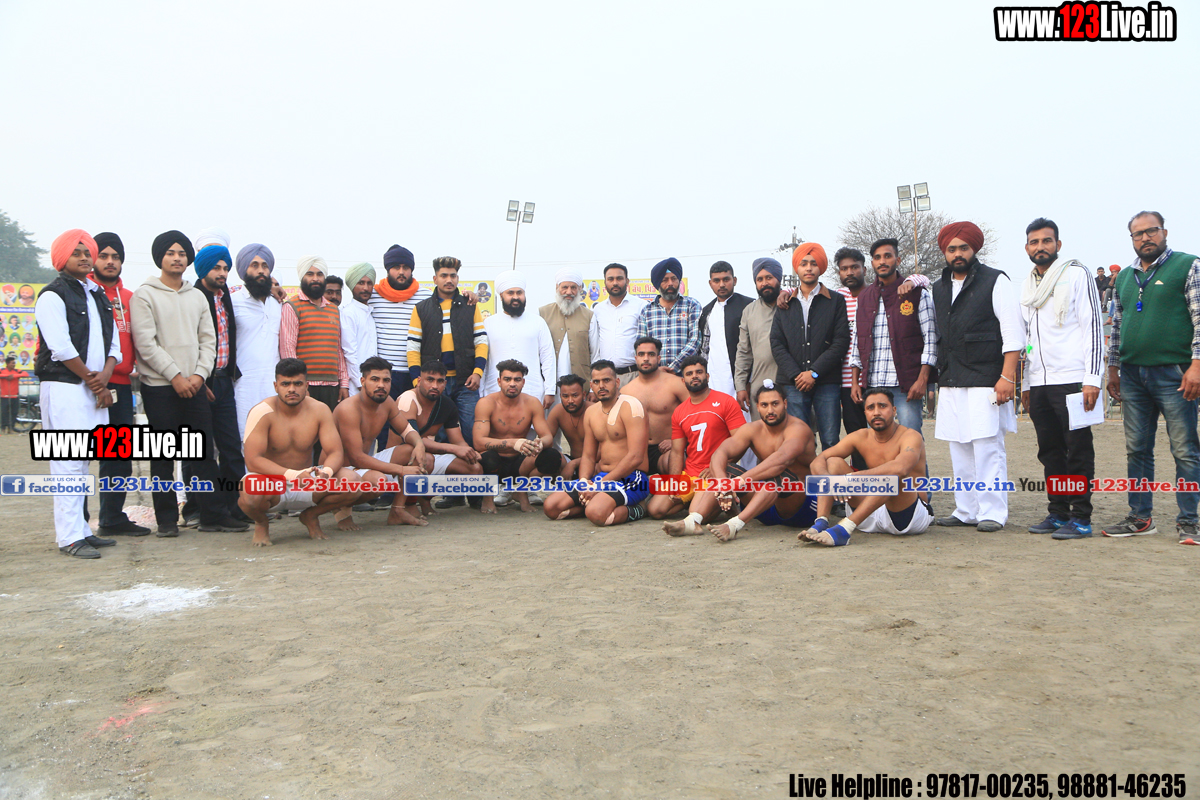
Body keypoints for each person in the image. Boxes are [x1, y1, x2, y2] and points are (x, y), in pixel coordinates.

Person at [132, 230, 242, 536]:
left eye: (182, 253)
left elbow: (209, 341)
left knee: (203, 454)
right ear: (160, 258)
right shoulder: (144, 295)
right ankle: (167, 520)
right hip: (160, 387)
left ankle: (213, 516)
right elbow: (146, 344)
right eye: (171, 253)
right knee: (163, 456)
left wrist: (197, 376)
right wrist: (175, 376)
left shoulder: (196, 297)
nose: (177, 258)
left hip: (194, 386)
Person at [1103, 211, 1200, 544]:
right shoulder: (1125, 276)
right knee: (1137, 449)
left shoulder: (1188, 265)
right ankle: (1140, 517)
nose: (1145, 238)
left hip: (1175, 373)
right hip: (1132, 374)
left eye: (1151, 231)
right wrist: (1113, 368)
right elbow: (1117, 325)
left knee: (1184, 449)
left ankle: (1189, 521)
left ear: (1165, 232)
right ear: (1131, 238)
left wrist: (1196, 365)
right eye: (1138, 233)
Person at [931, 221, 1025, 532]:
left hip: (986, 378)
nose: (957, 254)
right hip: (951, 378)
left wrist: (1007, 378)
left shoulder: (995, 281)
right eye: (951, 249)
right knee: (958, 447)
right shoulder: (939, 287)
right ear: (945, 252)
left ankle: (993, 512)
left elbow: (1013, 334)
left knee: (987, 447)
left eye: (963, 248)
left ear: (974, 249)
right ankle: (966, 510)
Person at [35, 230, 122, 558]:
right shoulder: (52, 296)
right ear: (62, 258)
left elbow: (113, 344)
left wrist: (104, 377)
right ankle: (69, 538)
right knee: (67, 463)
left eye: (88, 252)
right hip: (65, 388)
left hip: (94, 388)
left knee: (83, 462)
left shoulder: (98, 295)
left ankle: (83, 530)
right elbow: (60, 347)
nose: (85, 257)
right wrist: (94, 381)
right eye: (77, 252)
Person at [1018, 218, 1104, 540]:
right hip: (1040, 382)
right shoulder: (1028, 286)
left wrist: (1092, 378)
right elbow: (1029, 338)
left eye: (1046, 240)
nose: (1040, 247)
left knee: (1077, 450)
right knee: (1050, 451)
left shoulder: (1076, 274)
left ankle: (1081, 518)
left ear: (1058, 244)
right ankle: (1058, 513)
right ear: (1027, 247)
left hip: (1073, 379)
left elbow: (1093, 326)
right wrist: (1027, 383)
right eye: (1034, 242)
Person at [239, 359, 366, 547]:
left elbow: (335, 452)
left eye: (297, 384)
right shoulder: (262, 412)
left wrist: (326, 472)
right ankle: (262, 523)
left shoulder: (319, 409)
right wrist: (293, 475)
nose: (292, 389)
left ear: (306, 386)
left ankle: (311, 516)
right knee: (249, 491)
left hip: (307, 483)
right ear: (276, 386)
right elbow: (253, 461)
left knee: (353, 482)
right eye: (285, 384)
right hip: (273, 484)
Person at [679, 381, 818, 541]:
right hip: (764, 507)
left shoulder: (798, 429)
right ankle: (694, 521)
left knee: (779, 475)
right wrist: (723, 483)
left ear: (785, 404)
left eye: (775, 404)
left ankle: (734, 525)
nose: (770, 410)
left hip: (801, 507)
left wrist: (737, 482)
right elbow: (720, 452)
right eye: (764, 405)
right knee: (725, 469)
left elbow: (780, 460)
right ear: (757, 407)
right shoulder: (752, 429)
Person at [799, 388, 932, 546]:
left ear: (894, 410)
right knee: (832, 462)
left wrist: (851, 478)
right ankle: (821, 522)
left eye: (882, 406)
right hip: (869, 510)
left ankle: (844, 529)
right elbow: (817, 461)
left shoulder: (911, 436)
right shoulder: (861, 436)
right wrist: (830, 481)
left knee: (893, 476)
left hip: (908, 516)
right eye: (870, 408)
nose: (876, 412)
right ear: (865, 413)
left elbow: (901, 468)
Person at [86, 232, 149, 534]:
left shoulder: (130, 299)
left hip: (121, 386)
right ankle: (77, 524)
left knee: (119, 456)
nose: (110, 262)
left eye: (116, 257)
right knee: (77, 456)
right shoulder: (81, 292)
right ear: (93, 259)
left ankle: (111, 519)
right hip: (85, 385)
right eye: (104, 256)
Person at [542, 360, 650, 526]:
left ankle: (640, 508)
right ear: (591, 385)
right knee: (551, 507)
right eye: (597, 382)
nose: (602, 386)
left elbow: (636, 457)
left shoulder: (631, 406)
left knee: (597, 514)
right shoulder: (591, 412)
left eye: (606, 380)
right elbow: (588, 456)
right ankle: (595, 504)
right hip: (602, 477)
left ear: (617, 382)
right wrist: (584, 481)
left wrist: (600, 485)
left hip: (632, 477)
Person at [849, 238, 938, 435]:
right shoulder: (864, 297)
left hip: (906, 385)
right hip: (873, 384)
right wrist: (855, 382)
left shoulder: (917, 294)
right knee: (878, 441)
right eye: (877, 257)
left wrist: (922, 380)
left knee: (910, 438)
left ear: (897, 260)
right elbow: (857, 342)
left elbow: (931, 340)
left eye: (887, 256)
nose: (882, 261)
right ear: (872, 263)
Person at [333, 356, 430, 529]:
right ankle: (340, 507)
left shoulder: (387, 402)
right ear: (363, 381)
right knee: (378, 482)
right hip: (339, 469)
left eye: (386, 380)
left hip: (363, 464)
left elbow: (406, 430)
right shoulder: (349, 409)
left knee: (415, 453)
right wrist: (401, 470)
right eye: (375, 379)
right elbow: (356, 458)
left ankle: (398, 510)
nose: (381, 385)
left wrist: (419, 444)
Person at [770, 242, 850, 450]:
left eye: (814, 263)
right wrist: (797, 375)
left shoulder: (835, 301)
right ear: (796, 268)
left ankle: (829, 473)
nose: (808, 268)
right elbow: (777, 343)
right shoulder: (785, 302)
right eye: (804, 263)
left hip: (827, 381)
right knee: (798, 441)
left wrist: (814, 373)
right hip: (793, 383)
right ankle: (803, 473)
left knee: (830, 439)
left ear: (820, 267)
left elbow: (840, 341)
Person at [190, 245, 248, 526]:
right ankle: (206, 512)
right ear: (203, 269)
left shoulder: (225, 297)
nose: (222, 273)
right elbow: (188, 342)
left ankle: (236, 507)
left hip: (225, 380)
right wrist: (199, 379)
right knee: (201, 453)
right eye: (216, 268)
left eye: (225, 268)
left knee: (231, 448)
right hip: (201, 382)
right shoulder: (191, 298)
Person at [647, 355, 745, 521]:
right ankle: (699, 500)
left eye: (699, 372)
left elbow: (741, 441)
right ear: (683, 380)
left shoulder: (726, 402)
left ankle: (717, 502)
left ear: (707, 376)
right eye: (689, 373)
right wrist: (674, 481)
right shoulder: (679, 411)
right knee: (655, 509)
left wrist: (720, 467)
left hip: (715, 472)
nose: (694, 376)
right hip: (691, 473)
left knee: (696, 514)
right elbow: (677, 452)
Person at [407, 256, 487, 443]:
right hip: (434, 383)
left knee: (470, 432)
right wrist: (416, 380)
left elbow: (481, 341)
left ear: (458, 278)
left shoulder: (470, 306)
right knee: (437, 435)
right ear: (435, 279)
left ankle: (472, 463)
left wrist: (477, 372)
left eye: (453, 276)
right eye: (444, 275)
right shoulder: (421, 309)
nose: (449, 280)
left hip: (466, 381)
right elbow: (413, 347)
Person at [474, 359, 556, 513]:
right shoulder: (486, 403)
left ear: (523, 382)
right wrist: (512, 443)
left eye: (517, 380)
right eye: (507, 379)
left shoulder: (532, 403)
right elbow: (478, 442)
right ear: (499, 381)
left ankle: (521, 491)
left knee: (552, 457)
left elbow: (547, 437)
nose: (512, 384)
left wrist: (539, 443)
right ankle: (487, 497)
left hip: (521, 463)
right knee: (488, 458)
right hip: (495, 463)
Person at [279, 256, 348, 419]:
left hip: (332, 386)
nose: (315, 278)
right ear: (302, 277)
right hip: (306, 385)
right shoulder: (292, 307)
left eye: (319, 274)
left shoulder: (334, 310)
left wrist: (343, 383)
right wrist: (298, 384)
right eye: (310, 274)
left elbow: (338, 350)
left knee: (329, 430)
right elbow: (288, 350)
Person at [367, 244, 431, 414]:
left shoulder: (426, 296)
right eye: (396, 267)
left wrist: (469, 296)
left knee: (412, 420)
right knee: (382, 421)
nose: (401, 272)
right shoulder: (373, 296)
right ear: (388, 269)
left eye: (406, 267)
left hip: (415, 373)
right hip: (383, 375)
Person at [482, 271, 556, 408]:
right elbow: (483, 361)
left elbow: (548, 358)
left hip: (532, 390)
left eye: (519, 293)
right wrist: (481, 392)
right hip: (494, 390)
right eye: (510, 293)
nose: (515, 297)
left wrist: (550, 390)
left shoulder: (537, 322)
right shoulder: (488, 323)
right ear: (501, 296)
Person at [231, 243, 281, 439]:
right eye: (254, 265)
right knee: (247, 437)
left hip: (273, 384)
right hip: (244, 383)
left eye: (265, 266)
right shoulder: (233, 301)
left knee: (275, 438)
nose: (261, 270)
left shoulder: (278, 304)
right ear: (244, 270)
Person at [622, 336, 689, 475]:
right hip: (637, 451)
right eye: (641, 354)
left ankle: (674, 488)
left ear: (658, 358)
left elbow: (697, 413)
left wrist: (678, 441)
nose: (646, 359)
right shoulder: (625, 391)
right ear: (636, 358)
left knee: (674, 460)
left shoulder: (675, 383)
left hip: (666, 449)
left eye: (651, 354)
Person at [735, 258, 786, 419]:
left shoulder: (792, 304)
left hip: (791, 385)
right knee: (762, 432)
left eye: (769, 278)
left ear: (779, 279)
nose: (764, 283)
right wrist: (740, 386)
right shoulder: (749, 311)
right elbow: (743, 352)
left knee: (796, 431)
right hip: (760, 385)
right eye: (760, 279)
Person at [636, 258, 702, 374]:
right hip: (656, 375)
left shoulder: (692, 305)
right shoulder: (647, 311)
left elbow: (695, 340)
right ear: (657, 284)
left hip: (686, 375)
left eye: (674, 279)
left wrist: (673, 368)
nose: (670, 283)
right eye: (665, 280)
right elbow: (641, 345)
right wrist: (656, 370)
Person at [698, 261, 753, 399]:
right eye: (717, 281)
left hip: (745, 380)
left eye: (726, 279)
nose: (721, 284)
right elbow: (705, 348)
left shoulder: (749, 306)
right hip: (715, 379)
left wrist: (750, 378)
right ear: (710, 283)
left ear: (734, 280)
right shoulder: (707, 311)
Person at [589, 263, 647, 385]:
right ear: (605, 283)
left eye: (619, 278)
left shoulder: (641, 306)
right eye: (610, 279)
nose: (615, 283)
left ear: (627, 281)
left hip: (634, 375)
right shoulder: (598, 310)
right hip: (606, 377)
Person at [540, 267, 593, 397]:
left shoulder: (589, 316)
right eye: (565, 287)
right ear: (557, 287)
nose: (569, 292)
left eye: (573, 287)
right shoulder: (542, 313)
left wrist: (592, 389)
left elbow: (595, 353)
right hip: (550, 387)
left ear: (579, 289)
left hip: (581, 385)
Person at [539, 374, 593, 479]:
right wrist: (538, 444)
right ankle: (521, 484)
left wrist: (574, 464)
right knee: (546, 458)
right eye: (565, 396)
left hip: (595, 463)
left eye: (575, 396)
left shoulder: (594, 411)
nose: (570, 400)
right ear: (560, 396)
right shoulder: (558, 411)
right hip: (571, 460)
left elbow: (603, 451)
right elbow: (547, 438)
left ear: (583, 395)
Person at [340, 262, 378, 397]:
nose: (365, 288)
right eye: (361, 283)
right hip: (357, 386)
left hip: (372, 383)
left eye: (369, 283)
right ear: (352, 285)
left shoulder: (369, 313)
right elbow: (349, 353)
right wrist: (360, 383)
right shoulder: (348, 313)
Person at [0, 355, 20, 434]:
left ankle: (11, 428)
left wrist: (14, 376)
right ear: (7, 364)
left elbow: (25, 374)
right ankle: (3, 428)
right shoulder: (2, 370)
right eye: (12, 363)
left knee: (14, 412)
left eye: (14, 363)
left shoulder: (17, 371)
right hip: (4, 396)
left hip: (14, 396)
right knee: (4, 413)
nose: (14, 364)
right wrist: (6, 376)